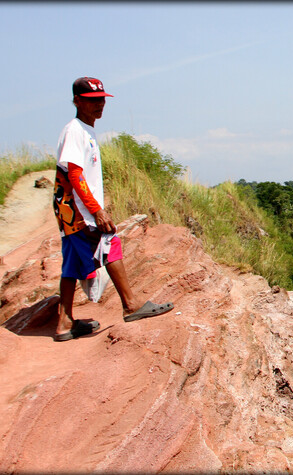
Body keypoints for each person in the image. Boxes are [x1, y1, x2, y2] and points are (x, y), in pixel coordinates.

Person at [51, 76, 173, 342]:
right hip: (77, 210)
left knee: (72, 264)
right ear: (76, 101)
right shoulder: (75, 130)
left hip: (73, 210)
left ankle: (64, 322)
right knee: (111, 243)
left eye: (101, 100)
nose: (99, 106)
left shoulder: (85, 130)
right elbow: (74, 173)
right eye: (91, 101)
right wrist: (96, 210)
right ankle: (130, 305)